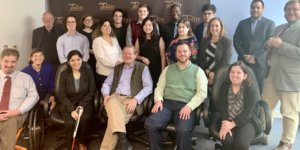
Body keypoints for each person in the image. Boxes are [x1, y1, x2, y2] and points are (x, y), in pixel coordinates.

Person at [145, 41, 207, 150]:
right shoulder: (168, 69)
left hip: (186, 105)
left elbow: (202, 93)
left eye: (184, 51)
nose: (182, 53)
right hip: (166, 104)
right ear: (176, 53)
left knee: (183, 130)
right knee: (150, 124)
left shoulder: (198, 71)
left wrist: (189, 107)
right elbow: (159, 87)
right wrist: (159, 100)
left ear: (190, 53)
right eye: (179, 51)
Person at [262, 0, 300, 149]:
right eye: (288, 10)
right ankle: (263, 134)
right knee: (265, 107)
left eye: (295, 9)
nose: (291, 12)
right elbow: (270, 47)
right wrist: (268, 44)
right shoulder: (279, 28)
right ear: (284, 12)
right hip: (272, 74)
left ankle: (286, 143)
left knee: (289, 112)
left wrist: (281, 45)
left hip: (290, 78)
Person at [100, 45, 153, 150]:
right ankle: (123, 140)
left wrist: (136, 99)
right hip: (115, 97)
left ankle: (119, 143)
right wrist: (106, 94)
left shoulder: (142, 68)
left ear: (135, 55)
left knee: (113, 122)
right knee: (111, 102)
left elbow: (149, 87)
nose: (127, 56)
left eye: (130, 53)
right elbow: (106, 84)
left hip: (130, 100)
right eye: (125, 53)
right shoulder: (117, 68)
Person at [56, 50, 96, 150]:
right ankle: (70, 146)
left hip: (85, 102)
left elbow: (92, 91)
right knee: (70, 123)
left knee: (84, 119)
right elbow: (61, 94)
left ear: (82, 60)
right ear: (68, 62)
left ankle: (82, 142)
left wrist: (81, 105)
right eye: (72, 60)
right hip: (68, 103)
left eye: (78, 59)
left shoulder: (88, 72)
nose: (76, 62)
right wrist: (71, 109)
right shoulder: (64, 74)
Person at [0, 48, 39, 150]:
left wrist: (18, 111)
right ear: (1, 60)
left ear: (17, 62)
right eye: (6, 61)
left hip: (15, 115)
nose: (9, 64)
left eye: (13, 61)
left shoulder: (25, 78)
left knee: (9, 121)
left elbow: (34, 96)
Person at [234, 0, 275, 93]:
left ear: (263, 9)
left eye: (258, 7)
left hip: (259, 64)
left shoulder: (270, 24)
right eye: (253, 7)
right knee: (241, 88)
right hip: (243, 62)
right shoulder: (242, 23)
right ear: (250, 8)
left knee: (256, 91)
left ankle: (255, 107)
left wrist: (255, 57)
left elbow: (269, 44)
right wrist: (244, 55)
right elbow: (236, 41)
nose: (255, 9)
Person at [218, 61, 258, 150]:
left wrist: (233, 124)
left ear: (245, 76)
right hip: (228, 119)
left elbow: (248, 112)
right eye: (232, 72)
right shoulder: (225, 86)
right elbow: (222, 106)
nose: (234, 75)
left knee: (241, 145)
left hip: (247, 121)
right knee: (227, 141)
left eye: (238, 72)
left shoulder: (251, 88)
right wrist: (225, 124)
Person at [199, 17, 232, 86]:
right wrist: (208, 73)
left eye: (217, 26)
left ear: (221, 27)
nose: (214, 28)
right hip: (204, 74)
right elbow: (200, 59)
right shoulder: (204, 41)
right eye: (212, 26)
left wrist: (214, 74)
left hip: (220, 76)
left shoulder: (227, 42)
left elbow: (225, 62)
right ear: (209, 27)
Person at [135, 17, 166, 87]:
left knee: (156, 88)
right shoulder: (139, 39)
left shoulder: (159, 39)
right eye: (145, 25)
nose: (147, 27)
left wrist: (163, 70)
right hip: (143, 69)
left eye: (150, 25)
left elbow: (163, 56)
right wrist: (142, 58)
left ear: (153, 26)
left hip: (156, 69)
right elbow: (135, 55)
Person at [92, 20, 123, 89]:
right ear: (100, 28)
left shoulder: (114, 38)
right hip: (104, 74)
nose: (107, 27)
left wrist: (120, 62)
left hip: (116, 72)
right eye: (104, 26)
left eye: (109, 26)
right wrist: (115, 64)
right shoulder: (97, 41)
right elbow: (101, 58)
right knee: (106, 96)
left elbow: (120, 52)